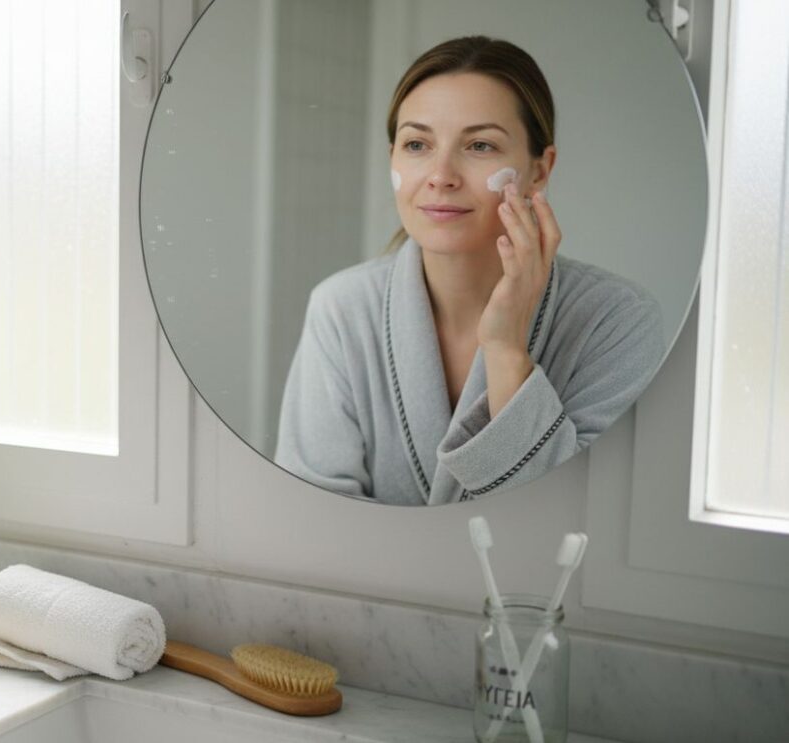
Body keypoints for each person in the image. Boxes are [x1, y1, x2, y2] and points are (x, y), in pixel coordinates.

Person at [274, 36, 664, 506]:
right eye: (417, 144)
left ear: (539, 171)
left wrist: (505, 351)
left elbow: (574, 520)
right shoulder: (341, 308)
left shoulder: (617, 321)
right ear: (392, 158)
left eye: (479, 145)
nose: (440, 175)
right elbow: (313, 514)